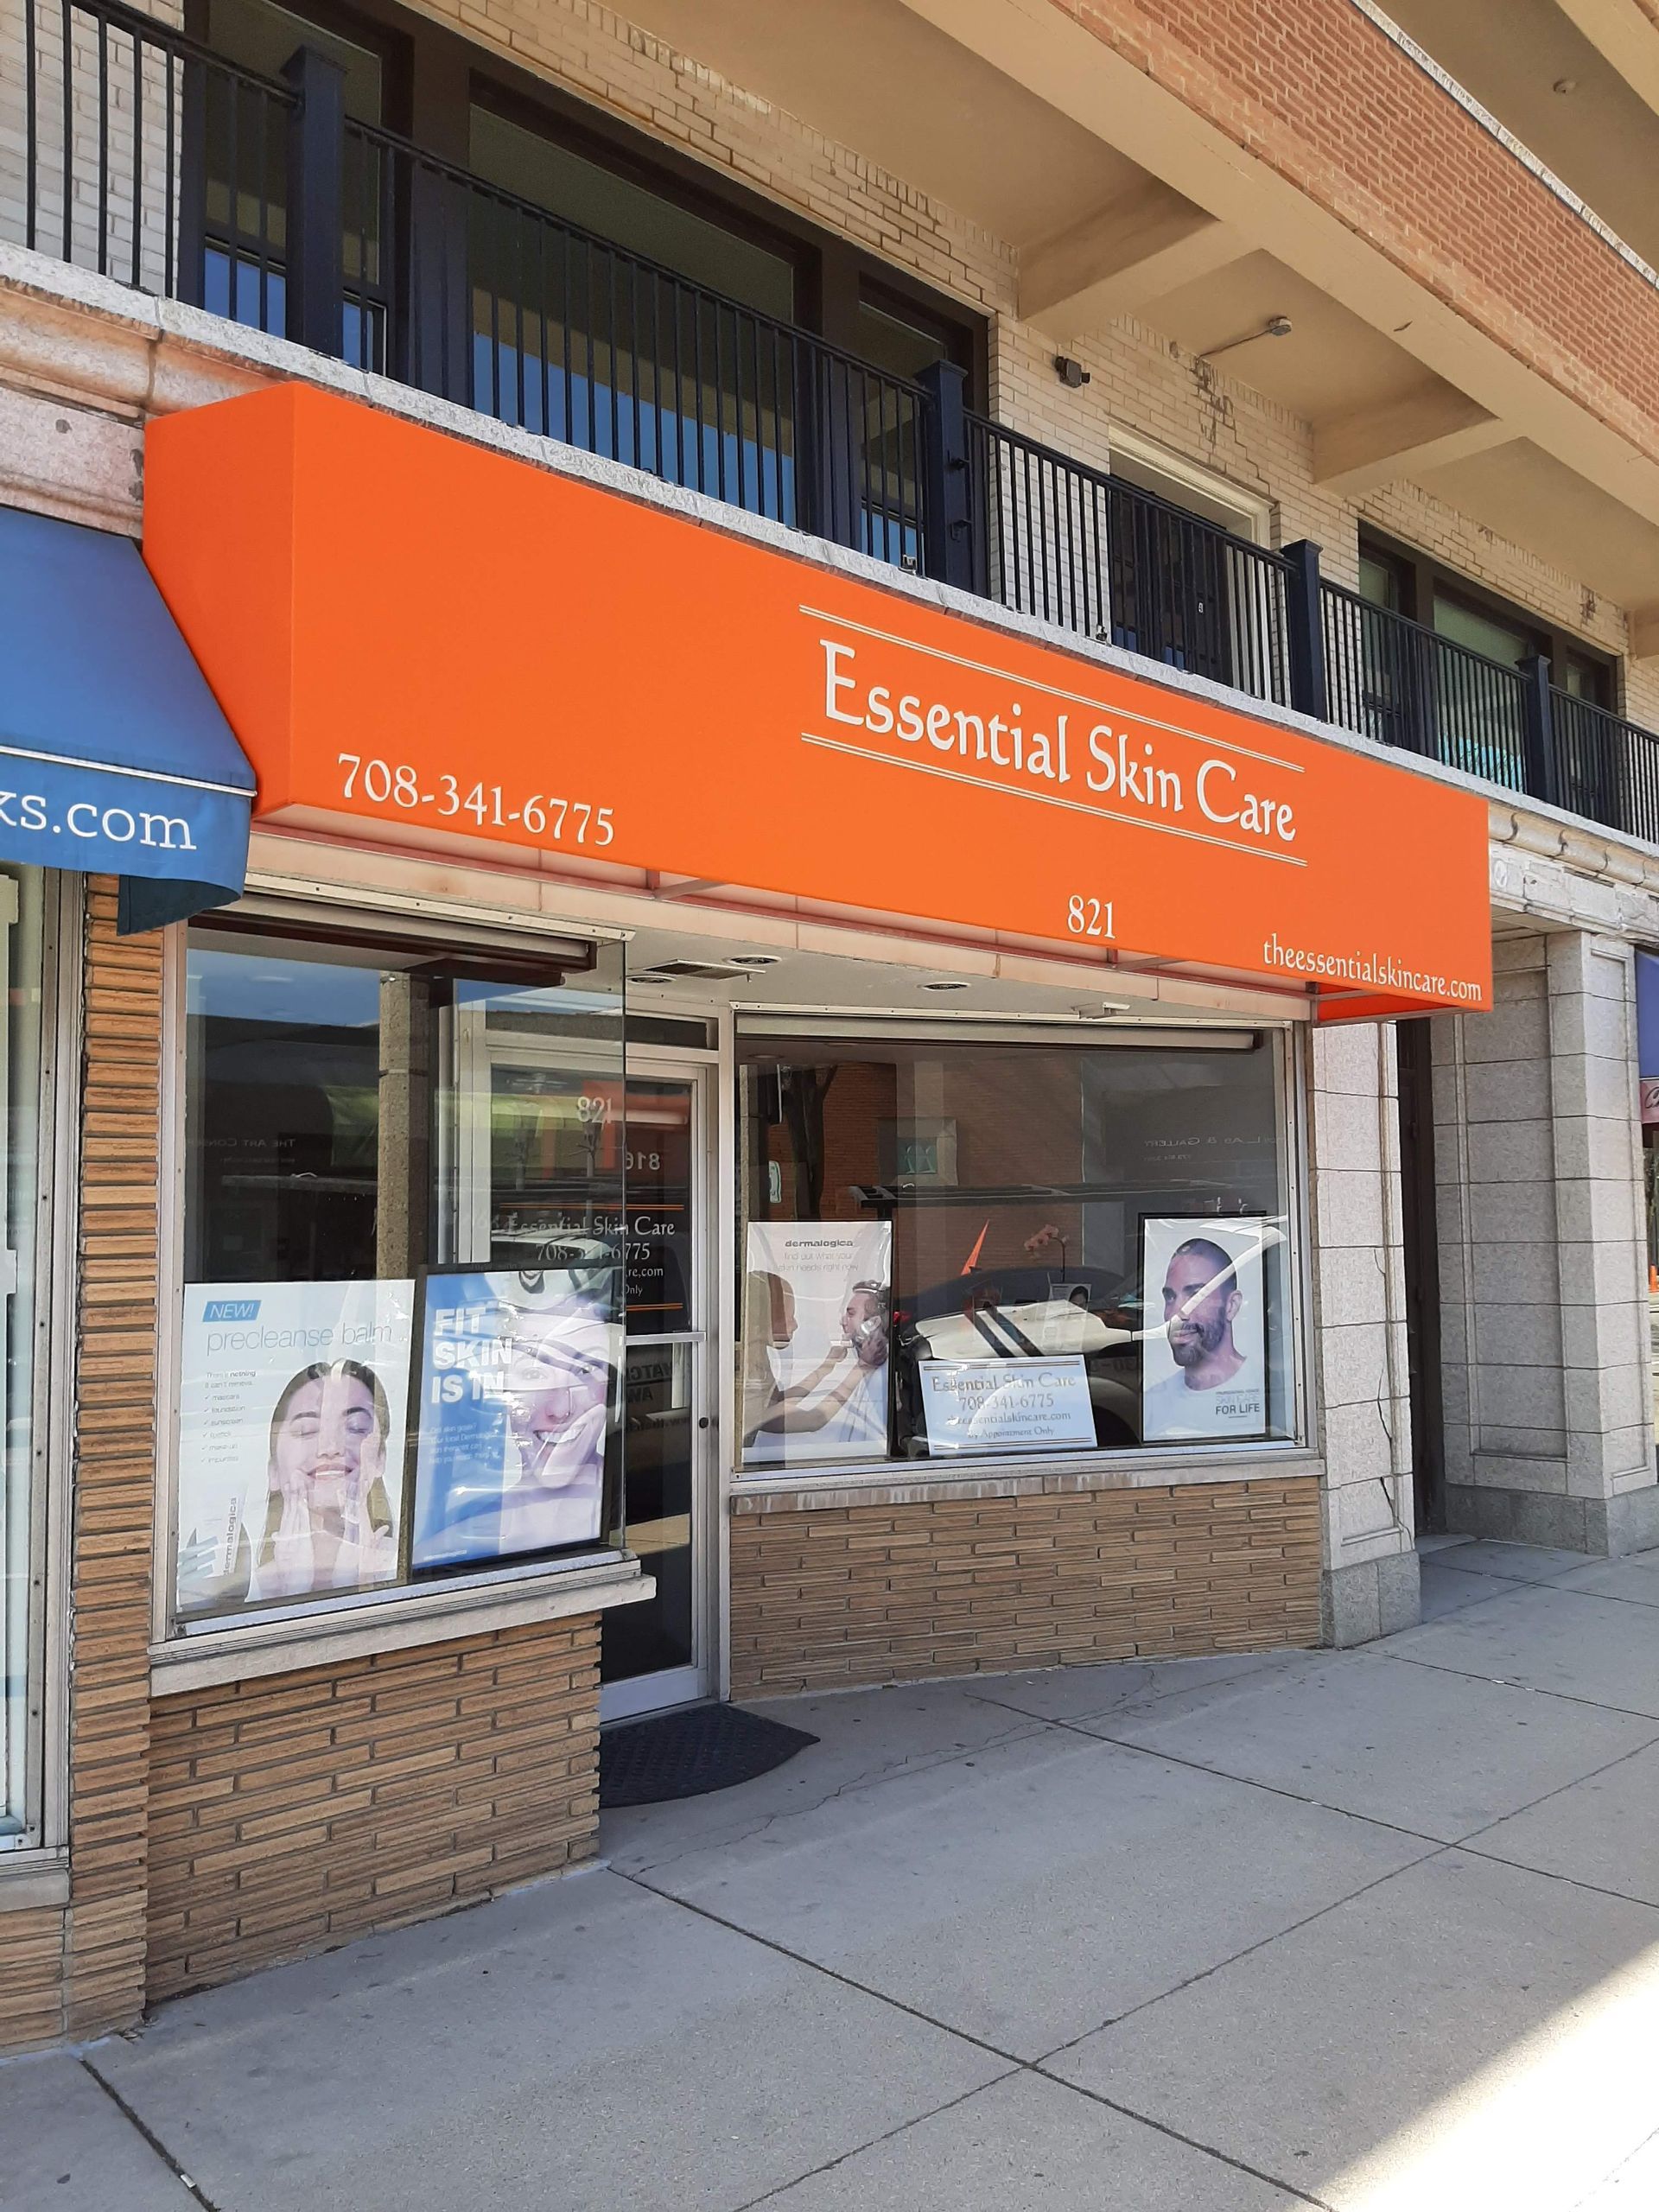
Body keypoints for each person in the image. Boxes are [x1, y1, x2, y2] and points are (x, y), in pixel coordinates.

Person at [245, 1360, 397, 1603]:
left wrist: (361, 1586)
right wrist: (294, 1590)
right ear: (273, 1470)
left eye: (356, 1428)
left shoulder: (410, 1567)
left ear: (380, 1458)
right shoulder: (244, 1592)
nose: (330, 1448)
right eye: (306, 1430)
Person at [494, 1298, 613, 1554]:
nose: (560, 1409)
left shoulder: (644, 1503)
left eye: (585, 1371)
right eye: (534, 1374)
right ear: (501, 1389)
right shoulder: (468, 1528)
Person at [744, 1274, 890, 1460]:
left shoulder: (756, 1355)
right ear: (760, 1320)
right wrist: (862, 1368)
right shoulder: (744, 1368)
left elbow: (776, 1404)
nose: (795, 1324)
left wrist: (827, 1366)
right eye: (788, 1315)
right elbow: (814, 1419)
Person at [1141, 1236, 1266, 1441]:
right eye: (1170, 1297)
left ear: (1231, 1306)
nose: (1176, 1314)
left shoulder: (1266, 1388)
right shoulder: (1154, 1401)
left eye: (1196, 1295)